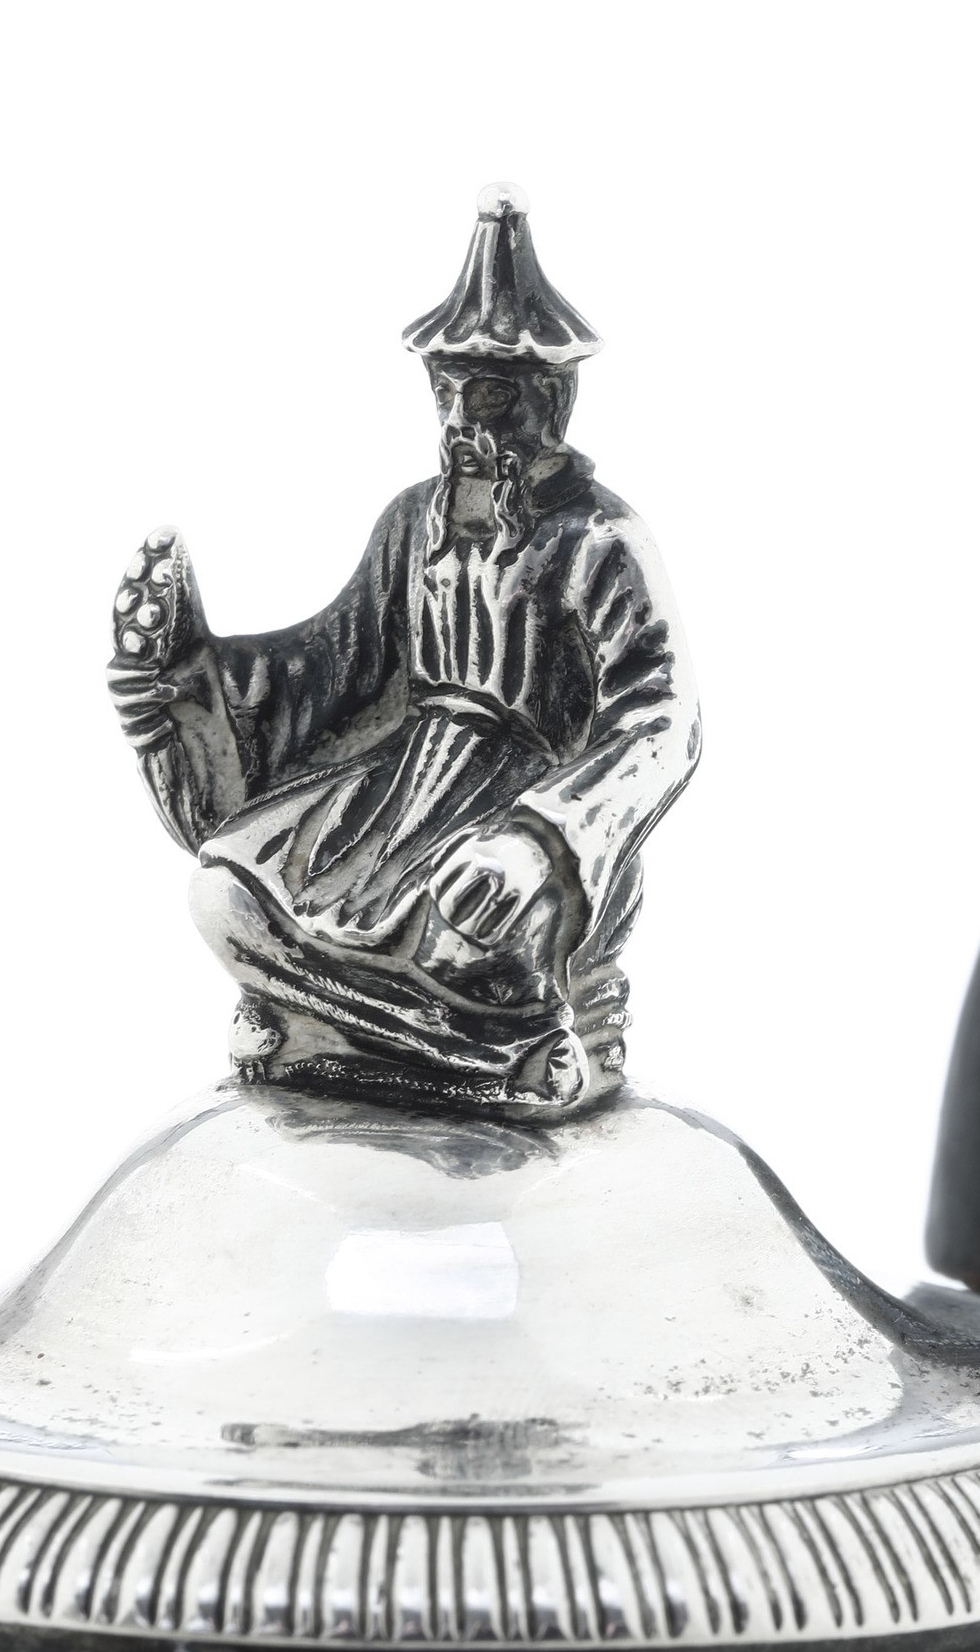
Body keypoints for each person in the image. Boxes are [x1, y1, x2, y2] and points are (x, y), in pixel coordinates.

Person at [109, 191, 700, 1118]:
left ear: (550, 399)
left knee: (478, 938)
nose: (462, 417)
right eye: (446, 391)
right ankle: (458, 1050)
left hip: (521, 807)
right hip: (397, 796)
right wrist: (194, 684)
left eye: (489, 394)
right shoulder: (412, 522)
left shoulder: (602, 540)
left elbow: (661, 721)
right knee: (223, 894)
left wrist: (541, 839)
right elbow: (334, 668)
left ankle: (475, 1033)